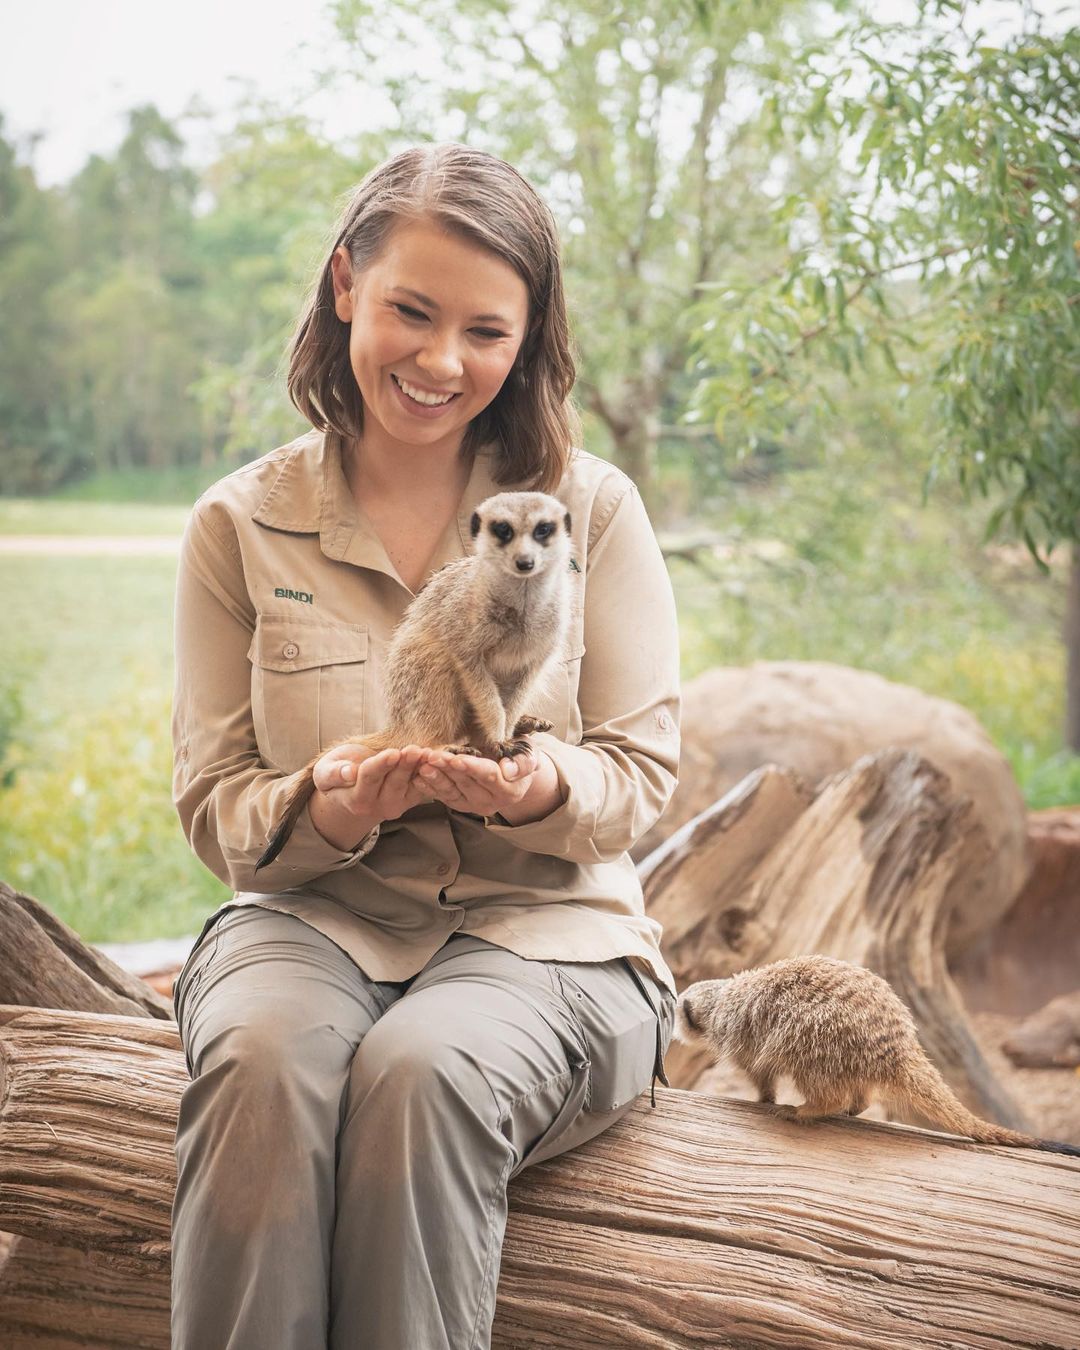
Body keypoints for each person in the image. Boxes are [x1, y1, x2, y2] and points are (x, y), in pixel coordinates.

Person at [170, 142, 681, 1350]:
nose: (443, 361)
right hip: (312, 920)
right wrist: (332, 809)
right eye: (411, 309)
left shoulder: (589, 509)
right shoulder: (240, 525)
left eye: (487, 332)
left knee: (423, 1074)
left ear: (527, 341)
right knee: (255, 1064)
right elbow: (215, 805)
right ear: (346, 283)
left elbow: (642, 769)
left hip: (550, 937)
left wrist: (537, 784)